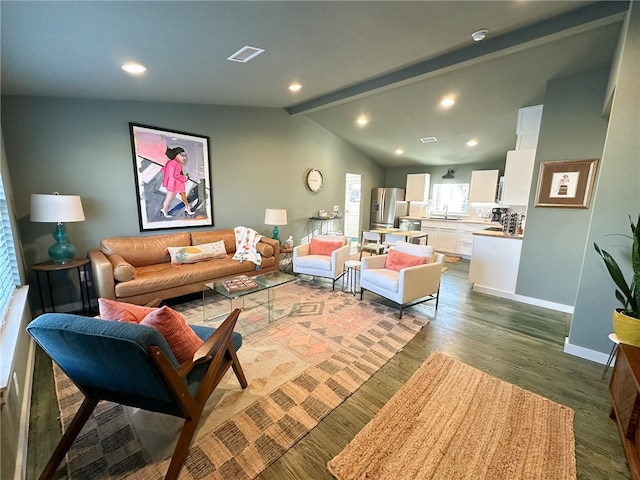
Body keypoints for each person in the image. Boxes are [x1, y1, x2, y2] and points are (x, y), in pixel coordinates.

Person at [160, 146, 193, 217]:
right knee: (180, 197)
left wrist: (169, 176)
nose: (184, 158)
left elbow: (163, 170)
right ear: (177, 154)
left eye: (185, 156)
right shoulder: (178, 165)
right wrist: (185, 178)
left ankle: (187, 209)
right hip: (177, 184)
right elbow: (176, 175)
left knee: (170, 198)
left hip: (171, 184)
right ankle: (187, 209)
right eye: (182, 155)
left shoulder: (169, 162)